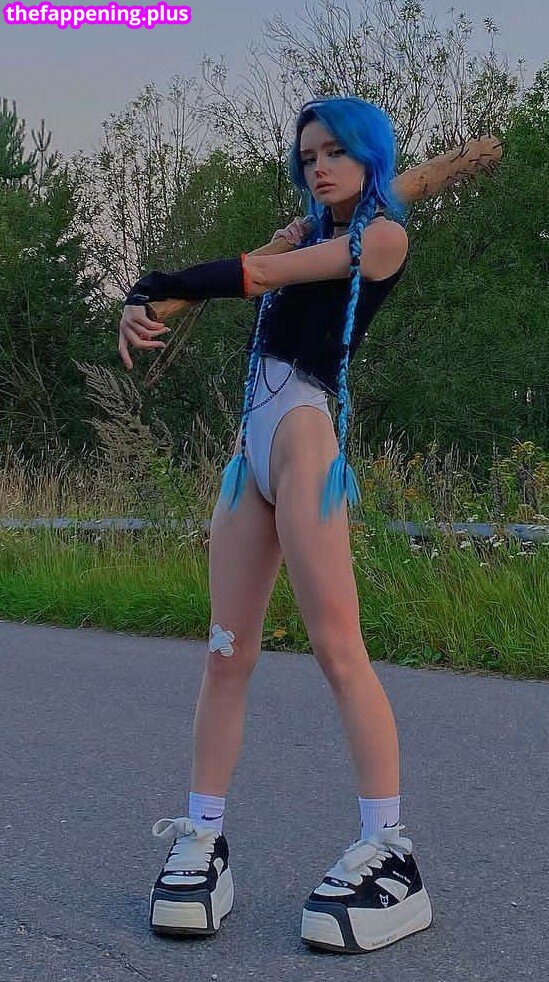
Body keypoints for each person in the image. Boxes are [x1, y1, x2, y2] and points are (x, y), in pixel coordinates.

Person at [118, 96, 433, 954]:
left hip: (302, 440)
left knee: (337, 648)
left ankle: (388, 850)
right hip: (247, 452)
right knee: (226, 653)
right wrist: (148, 300)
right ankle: (202, 837)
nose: (318, 166)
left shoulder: (380, 239)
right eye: (307, 156)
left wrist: (156, 284)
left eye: (335, 152)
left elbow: (254, 277)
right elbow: (251, 266)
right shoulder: (303, 233)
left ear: (368, 155)